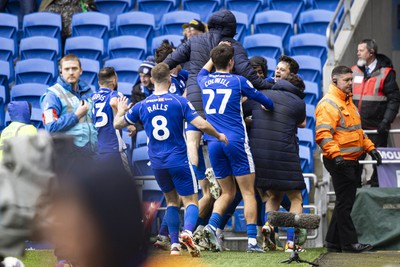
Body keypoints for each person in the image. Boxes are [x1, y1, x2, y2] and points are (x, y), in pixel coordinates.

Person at [164, 10, 273, 235]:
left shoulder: (194, 41)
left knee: (193, 144)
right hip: (222, 120)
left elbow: (169, 62)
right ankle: (245, 235)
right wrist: (270, 86)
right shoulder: (234, 46)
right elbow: (248, 75)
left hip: (194, 99)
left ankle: (193, 180)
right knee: (239, 186)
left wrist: (167, 87)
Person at [114, 63, 228, 257]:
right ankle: (188, 232)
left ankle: (174, 244)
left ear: (151, 80)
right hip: (179, 160)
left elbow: (117, 124)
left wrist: (119, 110)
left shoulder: (142, 105)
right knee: (191, 200)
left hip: (157, 163)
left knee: (171, 201)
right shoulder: (178, 102)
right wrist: (218, 135)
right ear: (169, 79)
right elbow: (201, 124)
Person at [197, 44, 274, 253]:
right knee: (248, 192)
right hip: (236, 141)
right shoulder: (238, 81)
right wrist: (270, 105)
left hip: (214, 142)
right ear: (232, 62)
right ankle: (251, 241)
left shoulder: (203, 80)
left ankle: (211, 226)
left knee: (227, 192)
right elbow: (263, 99)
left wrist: (215, 54)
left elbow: (203, 70)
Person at [315, 65, 382, 253]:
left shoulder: (348, 102)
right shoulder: (329, 103)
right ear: (335, 81)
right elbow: (323, 135)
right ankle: (349, 243)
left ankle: (333, 242)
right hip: (340, 160)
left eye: (351, 80)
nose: (351, 83)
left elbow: (357, 132)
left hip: (350, 160)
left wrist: (371, 148)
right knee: (346, 202)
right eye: (347, 80)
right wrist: (336, 157)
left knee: (343, 201)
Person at [249, 73, 307, 252]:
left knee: (274, 195)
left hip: (259, 155)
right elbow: (302, 123)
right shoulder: (298, 102)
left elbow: (243, 110)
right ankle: (291, 242)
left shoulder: (262, 94)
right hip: (284, 154)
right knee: (296, 197)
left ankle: (269, 228)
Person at [352, 39, 400, 187]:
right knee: (355, 164)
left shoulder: (386, 73)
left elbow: (394, 100)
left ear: (371, 52)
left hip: (377, 128)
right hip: (357, 128)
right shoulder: (354, 70)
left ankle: (376, 195)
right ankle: (355, 195)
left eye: (361, 50)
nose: (358, 53)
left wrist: (386, 122)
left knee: (377, 165)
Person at [41, 54, 97, 157]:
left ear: (80, 71)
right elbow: (50, 127)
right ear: (61, 71)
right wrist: (76, 116)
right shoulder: (52, 95)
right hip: (67, 156)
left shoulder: (88, 93)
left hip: (91, 153)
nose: (71, 72)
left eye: (74, 68)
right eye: (67, 69)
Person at [92, 67, 134, 173]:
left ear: (98, 82)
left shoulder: (90, 98)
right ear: (114, 81)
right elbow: (114, 104)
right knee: (124, 186)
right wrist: (130, 126)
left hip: (95, 151)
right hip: (112, 148)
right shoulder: (115, 95)